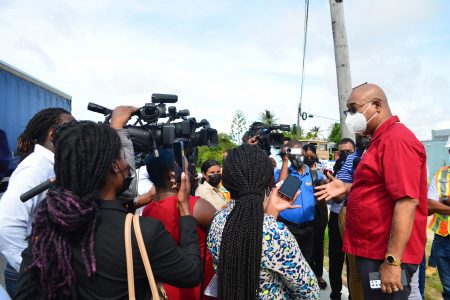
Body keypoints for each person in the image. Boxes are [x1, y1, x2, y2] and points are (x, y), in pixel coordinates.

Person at [15, 121, 202, 299]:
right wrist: (185, 212)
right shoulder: (143, 232)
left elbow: (24, 293)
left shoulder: (47, 228)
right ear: (114, 166)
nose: (126, 164)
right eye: (122, 157)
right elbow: (191, 274)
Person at [315, 83, 428, 300]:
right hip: (373, 252)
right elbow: (380, 188)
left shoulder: (396, 140)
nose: (350, 116)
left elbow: (406, 201)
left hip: (386, 258)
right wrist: (348, 187)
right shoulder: (379, 140)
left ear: (377, 105)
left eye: (354, 109)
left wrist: (393, 262)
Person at [207, 144, 319, 299]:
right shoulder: (276, 233)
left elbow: (252, 242)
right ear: (268, 181)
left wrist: (270, 214)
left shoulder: (216, 222)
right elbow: (309, 292)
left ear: (226, 181)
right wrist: (270, 219)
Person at [0, 108, 74, 298]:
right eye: (71, 128)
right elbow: (6, 225)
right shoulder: (35, 168)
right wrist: (32, 266)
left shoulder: (51, 165)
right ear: (52, 134)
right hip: (29, 275)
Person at [142, 149, 216, 300]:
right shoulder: (196, 205)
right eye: (187, 170)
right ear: (173, 175)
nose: (190, 174)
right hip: (199, 290)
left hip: (167, 291)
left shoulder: (147, 210)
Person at [277, 140, 324, 267]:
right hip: (288, 227)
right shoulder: (284, 173)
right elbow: (281, 190)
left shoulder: (314, 175)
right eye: (293, 155)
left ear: (303, 153)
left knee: (306, 263)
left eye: (299, 154)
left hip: (309, 227)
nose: (297, 158)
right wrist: (285, 161)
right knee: (288, 262)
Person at [329, 138, 356, 300]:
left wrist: (344, 193)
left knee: (352, 261)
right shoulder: (337, 167)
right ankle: (335, 294)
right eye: (342, 152)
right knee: (335, 259)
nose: (345, 154)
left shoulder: (358, 165)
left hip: (351, 217)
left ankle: (353, 295)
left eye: (348, 151)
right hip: (334, 215)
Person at [427, 137, 450, 300]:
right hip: (443, 239)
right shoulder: (441, 175)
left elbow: (438, 203)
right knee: (448, 287)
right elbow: (430, 206)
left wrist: (445, 201)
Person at [303, 143, 328, 290]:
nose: (309, 159)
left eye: (311, 156)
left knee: (318, 244)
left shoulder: (320, 171)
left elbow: (327, 187)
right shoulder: (298, 170)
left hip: (319, 212)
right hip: (305, 211)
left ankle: (318, 274)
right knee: (306, 244)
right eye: (306, 157)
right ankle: (308, 273)